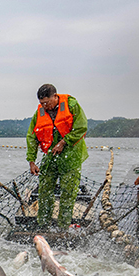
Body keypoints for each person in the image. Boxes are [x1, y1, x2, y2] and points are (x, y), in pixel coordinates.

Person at [26, 84, 88, 228]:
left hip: (71, 156)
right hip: (50, 156)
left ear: (55, 96)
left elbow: (81, 127)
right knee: (44, 191)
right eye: (42, 103)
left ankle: (63, 227)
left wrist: (64, 142)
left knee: (68, 193)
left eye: (47, 102)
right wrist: (31, 160)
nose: (45, 106)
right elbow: (31, 136)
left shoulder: (72, 105)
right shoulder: (39, 112)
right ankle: (43, 225)